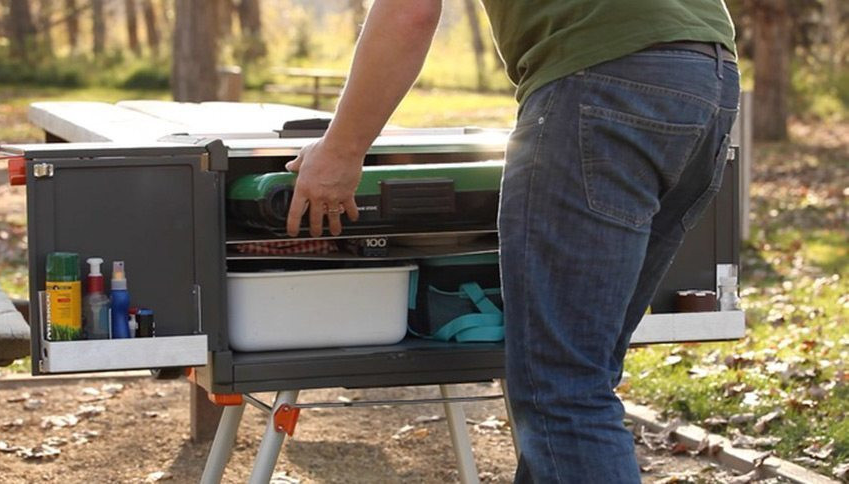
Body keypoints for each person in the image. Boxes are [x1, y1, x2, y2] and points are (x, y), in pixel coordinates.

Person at [285, 1, 740, 482]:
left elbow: (410, 11)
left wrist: (341, 149)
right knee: (581, 374)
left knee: (565, 388)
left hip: (601, 80)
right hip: (707, 77)